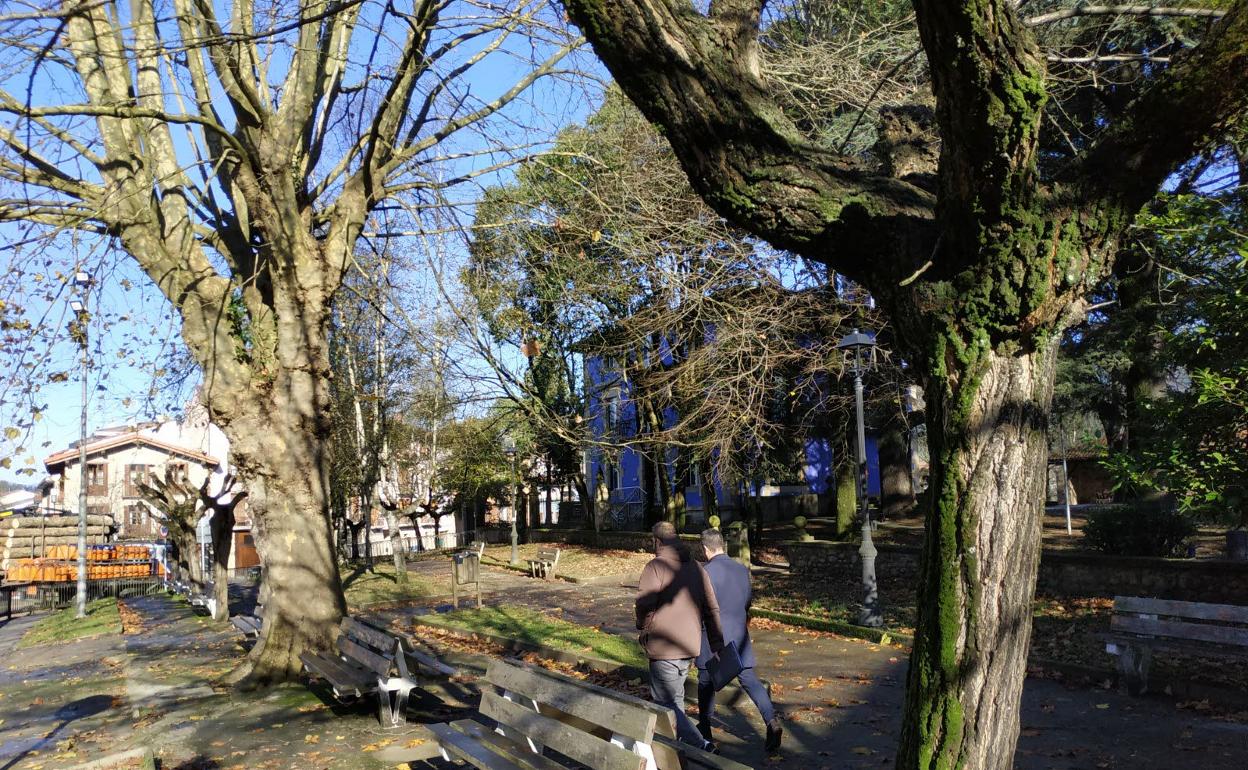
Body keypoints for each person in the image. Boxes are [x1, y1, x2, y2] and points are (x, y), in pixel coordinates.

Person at [636, 520, 724, 751]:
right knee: (675, 700)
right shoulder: (696, 566)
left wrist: (643, 626)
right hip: (689, 647)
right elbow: (711, 606)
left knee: (665, 704)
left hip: (664, 646)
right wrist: (716, 642)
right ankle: (680, 751)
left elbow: (645, 605)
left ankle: (700, 744)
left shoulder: (655, 567)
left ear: (656, 541)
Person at [696, 528, 782, 752]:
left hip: (712, 637)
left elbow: (701, 608)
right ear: (722, 545)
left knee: (706, 681)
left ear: (705, 549)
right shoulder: (742, 570)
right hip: (738, 634)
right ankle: (771, 720)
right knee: (749, 680)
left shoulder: (704, 573)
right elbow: (747, 602)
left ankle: (704, 729)